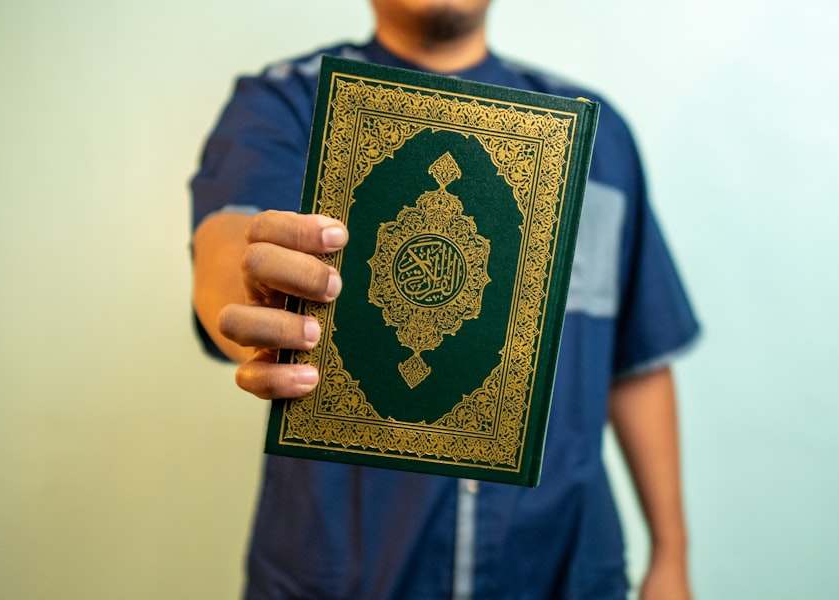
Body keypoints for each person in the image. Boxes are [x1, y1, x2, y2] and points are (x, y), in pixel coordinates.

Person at [190, 1, 700, 598]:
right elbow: (228, 243)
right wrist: (251, 289)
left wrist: (671, 555)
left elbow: (636, 359)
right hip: (344, 567)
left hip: (560, 566)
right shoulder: (288, 106)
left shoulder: (594, 134)